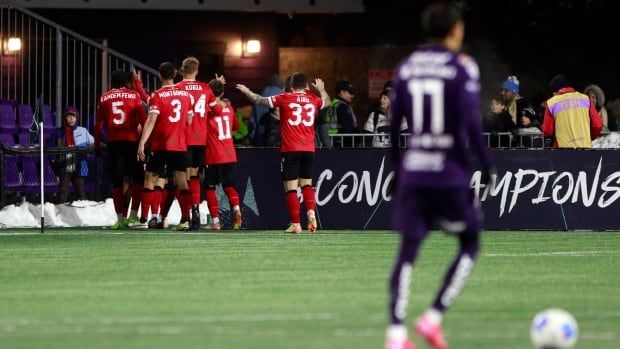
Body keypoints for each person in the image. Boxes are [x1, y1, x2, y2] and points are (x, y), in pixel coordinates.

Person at [386, 3, 494, 349]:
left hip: (415, 172)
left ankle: (396, 333)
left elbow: (393, 126)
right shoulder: (462, 67)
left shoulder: (406, 68)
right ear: (456, 30)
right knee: (471, 242)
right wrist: (487, 164)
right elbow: (472, 122)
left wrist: (396, 169)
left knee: (407, 251)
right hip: (449, 174)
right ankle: (432, 317)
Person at [236, 72, 330, 234]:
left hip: (291, 149)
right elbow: (326, 102)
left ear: (291, 86)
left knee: (291, 188)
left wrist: (246, 91)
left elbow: (258, 100)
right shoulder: (313, 99)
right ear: (305, 85)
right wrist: (321, 89)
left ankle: (296, 224)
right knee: (306, 184)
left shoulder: (284, 98)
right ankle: (311, 214)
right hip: (309, 149)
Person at [134, 62, 195, 230]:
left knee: (150, 180)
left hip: (160, 146)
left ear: (159, 76)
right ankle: (185, 220)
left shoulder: (157, 95)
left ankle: (149, 218)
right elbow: (189, 120)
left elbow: (151, 120)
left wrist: (142, 143)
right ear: (175, 74)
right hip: (179, 145)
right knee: (182, 183)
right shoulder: (186, 95)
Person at [94, 70, 147, 229]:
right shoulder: (135, 96)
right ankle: (132, 215)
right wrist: (145, 144)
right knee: (138, 178)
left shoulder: (104, 97)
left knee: (117, 181)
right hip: (132, 142)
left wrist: (97, 145)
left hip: (114, 143)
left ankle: (119, 219)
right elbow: (144, 121)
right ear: (126, 81)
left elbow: (98, 126)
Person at [175, 57, 218, 230]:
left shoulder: (177, 89)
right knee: (194, 176)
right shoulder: (206, 88)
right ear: (197, 70)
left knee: (180, 179)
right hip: (201, 138)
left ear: (182, 70)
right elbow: (216, 109)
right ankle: (195, 210)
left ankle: (186, 216)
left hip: (182, 139)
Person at [205, 79, 242, 230]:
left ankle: (215, 222)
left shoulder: (207, 110)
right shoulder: (229, 108)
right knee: (229, 185)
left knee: (210, 188)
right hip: (230, 154)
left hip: (213, 154)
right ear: (223, 93)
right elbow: (236, 127)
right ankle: (237, 210)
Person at [542, 75, 603, 148]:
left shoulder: (551, 103)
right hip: (585, 149)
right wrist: (589, 137)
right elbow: (598, 124)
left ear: (556, 91)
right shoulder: (585, 99)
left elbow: (547, 131)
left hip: (563, 151)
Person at [51, 107, 95, 203]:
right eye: (69, 116)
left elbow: (93, 143)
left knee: (80, 189)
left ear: (77, 118)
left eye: (74, 116)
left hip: (79, 164)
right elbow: (52, 148)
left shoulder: (83, 131)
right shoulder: (59, 132)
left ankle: (83, 209)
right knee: (63, 190)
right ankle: (60, 210)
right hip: (65, 164)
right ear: (64, 118)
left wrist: (86, 148)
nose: (71, 119)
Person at [249, 75, 284, 146]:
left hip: (259, 139)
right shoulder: (281, 96)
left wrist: (253, 140)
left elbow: (252, 122)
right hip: (276, 142)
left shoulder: (260, 96)